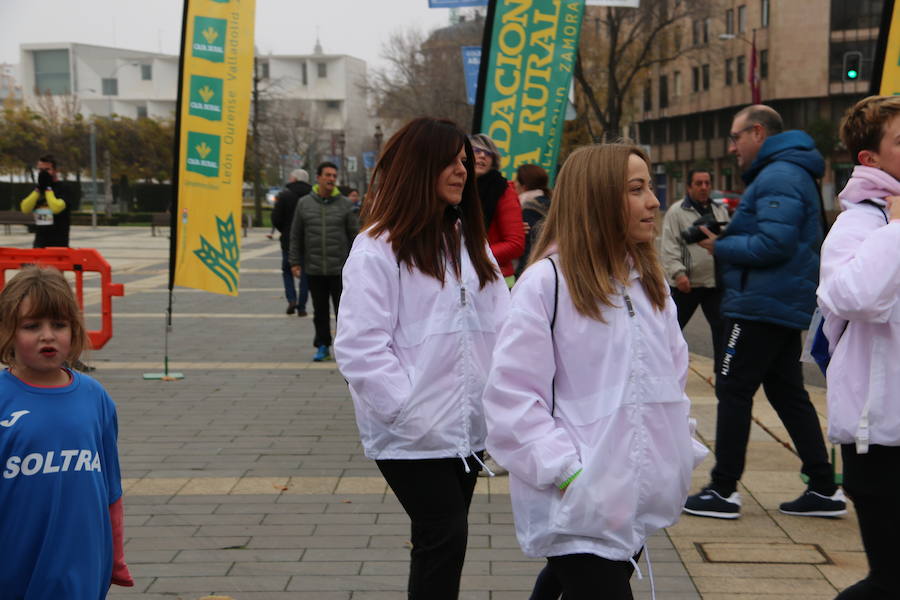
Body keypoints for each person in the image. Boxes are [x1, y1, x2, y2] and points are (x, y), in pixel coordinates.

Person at [482, 144, 707, 600]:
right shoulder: (548, 283)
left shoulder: (650, 283)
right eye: (636, 189)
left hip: (633, 497)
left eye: (649, 187)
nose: (653, 201)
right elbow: (512, 397)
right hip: (576, 499)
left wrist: (674, 451)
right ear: (598, 198)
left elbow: (671, 376)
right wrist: (568, 473)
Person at [334, 117, 509, 600]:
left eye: (464, 161)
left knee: (442, 543)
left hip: (468, 429)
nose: (461, 170)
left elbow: (504, 327)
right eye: (450, 161)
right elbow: (358, 347)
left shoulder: (472, 246)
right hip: (410, 433)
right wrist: (409, 411)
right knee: (444, 536)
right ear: (419, 166)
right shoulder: (377, 249)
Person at [684, 104, 845, 519]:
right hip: (776, 302)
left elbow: (773, 245)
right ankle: (824, 487)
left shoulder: (779, 174)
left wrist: (719, 246)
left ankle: (722, 490)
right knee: (788, 393)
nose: (733, 147)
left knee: (733, 388)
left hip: (759, 305)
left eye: (736, 138)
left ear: (758, 132)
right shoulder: (788, 172)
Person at [0, 266, 133, 597]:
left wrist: (115, 557)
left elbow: (110, 491)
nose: (48, 335)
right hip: (14, 564)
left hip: (81, 563)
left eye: (58, 325)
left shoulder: (95, 397)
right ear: (7, 332)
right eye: (32, 326)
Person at [817, 95, 900, 599]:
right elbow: (852, 297)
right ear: (870, 159)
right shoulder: (859, 224)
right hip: (882, 438)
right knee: (890, 583)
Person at [660, 168, 730, 370]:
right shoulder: (676, 212)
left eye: (707, 183)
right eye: (699, 183)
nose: (704, 187)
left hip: (714, 284)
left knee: (722, 330)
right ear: (689, 186)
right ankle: (664, 370)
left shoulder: (719, 210)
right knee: (671, 329)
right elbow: (669, 246)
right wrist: (678, 273)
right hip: (686, 285)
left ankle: (722, 374)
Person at [288, 162, 358, 361]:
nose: (331, 179)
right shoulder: (304, 204)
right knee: (320, 312)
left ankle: (347, 349)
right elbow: (296, 235)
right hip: (315, 268)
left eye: (334, 175)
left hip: (340, 269)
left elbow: (355, 236)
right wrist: (294, 262)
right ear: (318, 177)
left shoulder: (345, 204)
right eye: (327, 175)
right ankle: (322, 345)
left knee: (343, 313)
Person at [470, 133, 525, 287]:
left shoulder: (503, 190)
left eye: (488, 153)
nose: (482, 156)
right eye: (476, 150)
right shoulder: (455, 187)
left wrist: (472, 254)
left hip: (494, 279)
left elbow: (515, 244)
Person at [271, 168, 311, 317]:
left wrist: (284, 230)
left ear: (293, 179)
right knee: (306, 273)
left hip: (288, 240)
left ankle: (291, 299)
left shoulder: (284, 195)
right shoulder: (312, 195)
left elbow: (276, 218)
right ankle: (302, 306)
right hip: (308, 240)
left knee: (287, 270)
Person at [20, 154, 70, 248]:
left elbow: (56, 208)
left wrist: (48, 189)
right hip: (39, 241)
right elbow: (25, 208)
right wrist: (38, 190)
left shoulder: (64, 188)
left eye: (47, 170)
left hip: (58, 241)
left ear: (55, 171)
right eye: (40, 170)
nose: (43, 173)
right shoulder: (37, 190)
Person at [514, 164, 551, 279]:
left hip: (529, 269)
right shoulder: (551, 203)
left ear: (523, 186)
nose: (514, 184)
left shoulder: (528, 207)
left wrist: (521, 274)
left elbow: (529, 245)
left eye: (516, 181)